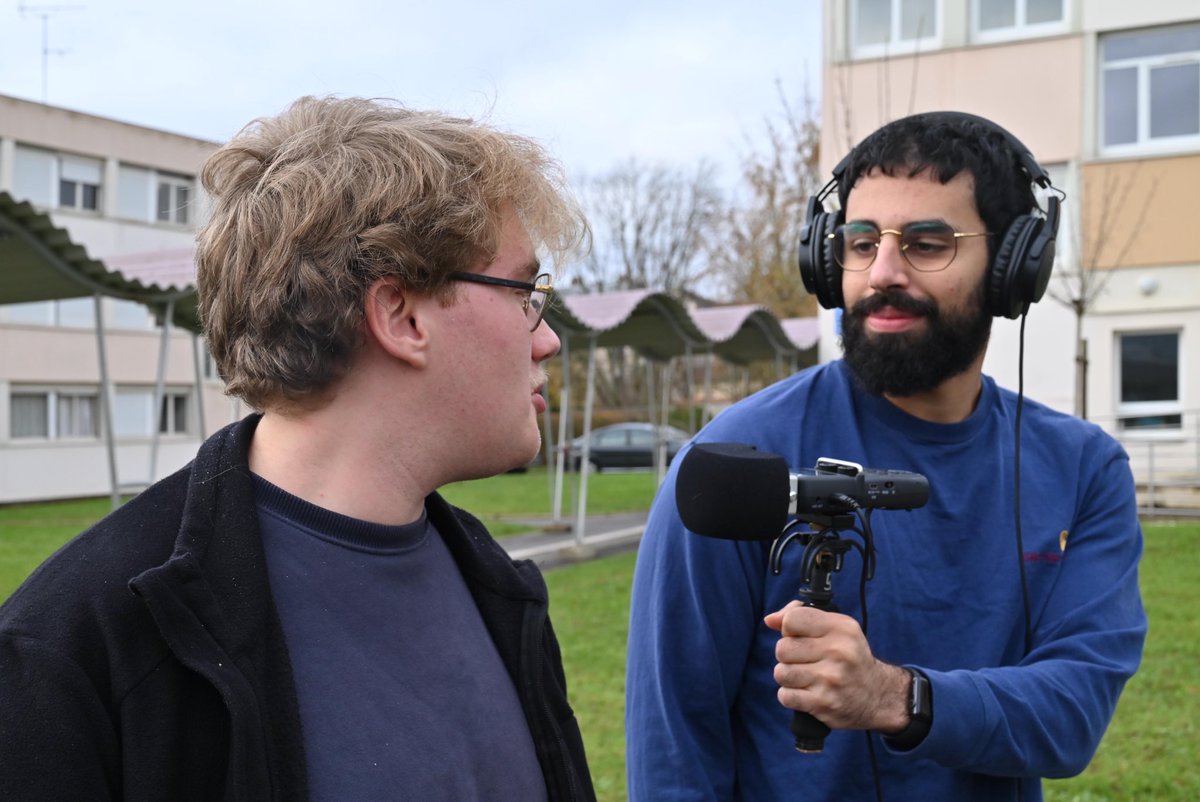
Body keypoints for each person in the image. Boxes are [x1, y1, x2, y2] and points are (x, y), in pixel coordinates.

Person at [0, 96, 596, 801]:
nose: (547, 338)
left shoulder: (493, 582)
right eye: (524, 291)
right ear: (400, 316)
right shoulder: (72, 656)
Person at [625, 111, 1147, 801]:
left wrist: (895, 697)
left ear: (1013, 267)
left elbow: (1071, 716)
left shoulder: (1085, 471)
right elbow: (674, 752)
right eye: (861, 242)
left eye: (927, 244)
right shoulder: (735, 463)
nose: (883, 273)